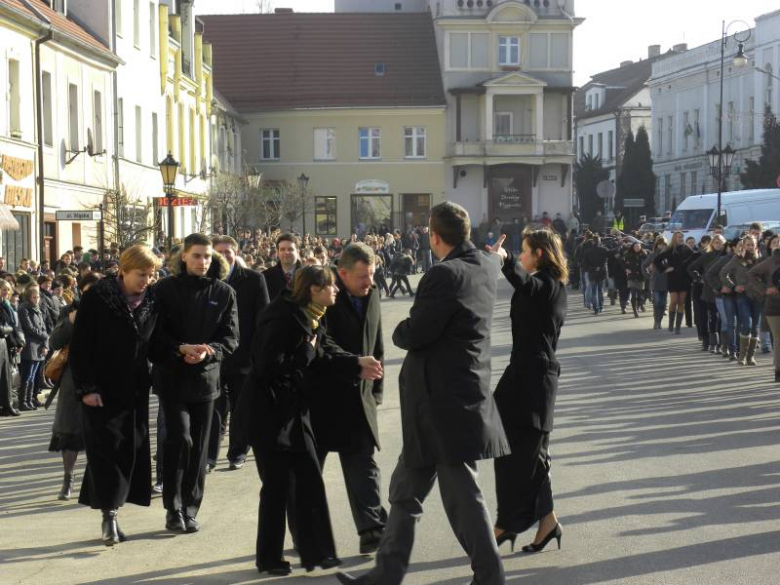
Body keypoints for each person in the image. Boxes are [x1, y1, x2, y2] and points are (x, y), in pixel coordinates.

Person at [338, 202, 510, 585]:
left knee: (464, 499)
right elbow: (493, 258)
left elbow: (415, 333)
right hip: (445, 404)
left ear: (433, 237)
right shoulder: (484, 265)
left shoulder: (444, 275)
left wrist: (400, 329)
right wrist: (496, 252)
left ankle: (491, 577)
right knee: (404, 491)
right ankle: (386, 574)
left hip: (443, 407)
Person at [239, 265, 382, 575]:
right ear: (314, 290)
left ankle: (318, 553)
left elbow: (324, 350)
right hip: (268, 415)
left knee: (308, 479)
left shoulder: (312, 314)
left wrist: (355, 362)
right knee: (277, 488)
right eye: (331, 286)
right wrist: (306, 352)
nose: (336, 290)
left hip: (293, 411)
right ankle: (269, 558)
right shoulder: (282, 317)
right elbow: (267, 365)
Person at [69, 245, 160, 545]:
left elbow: (157, 342)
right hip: (100, 390)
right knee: (104, 452)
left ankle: (113, 508)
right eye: (141, 274)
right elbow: (80, 347)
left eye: (151, 274)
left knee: (127, 450)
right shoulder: (98, 297)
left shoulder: (152, 300)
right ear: (124, 270)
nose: (146, 280)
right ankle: (109, 516)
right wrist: (86, 389)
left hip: (133, 390)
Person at [151, 233, 239, 535]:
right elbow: (154, 336)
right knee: (179, 438)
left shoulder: (224, 292)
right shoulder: (163, 290)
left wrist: (208, 350)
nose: (203, 261)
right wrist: (179, 348)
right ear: (184, 257)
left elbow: (231, 337)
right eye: (197, 255)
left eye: (207, 256)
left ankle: (190, 508)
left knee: (200, 446)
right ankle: (172, 507)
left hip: (206, 380)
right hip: (172, 378)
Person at [486, 230, 567, 555]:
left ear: (540, 254)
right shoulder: (542, 285)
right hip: (522, 375)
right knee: (529, 456)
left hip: (534, 382)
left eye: (524, 251)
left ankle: (506, 523)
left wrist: (505, 262)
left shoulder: (550, 287)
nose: (521, 256)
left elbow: (528, 286)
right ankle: (547, 523)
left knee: (516, 455)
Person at [309, 243, 387, 555]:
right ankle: (306, 534)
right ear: (341, 274)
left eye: (371, 276)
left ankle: (371, 530)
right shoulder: (323, 295)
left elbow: (376, 340)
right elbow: (321, 344)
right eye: (362, 277)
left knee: (363, 466)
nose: (368, 283)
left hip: (360, 396)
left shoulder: (374, 292)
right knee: (309, 472)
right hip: (322, 399)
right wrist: (354, 363)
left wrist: (376, 389)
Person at [207, 235, 270, 472]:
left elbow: (262, 319)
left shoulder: (254, 279)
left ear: (236, 253)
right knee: (214, 410)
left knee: (240, 409)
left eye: (227, 252)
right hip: (214, 356)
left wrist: (257, 354)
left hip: (244, 357)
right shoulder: (207, 278)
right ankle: (209, 457)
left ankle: (238, 452)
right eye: (219, 252)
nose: (223, 256)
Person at [47, 274, 102, 500]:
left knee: (99, 431)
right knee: (69, 430)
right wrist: (71, 321)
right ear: (80, 291)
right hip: (72, 378)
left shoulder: (109, 311)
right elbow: (54, 342)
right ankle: (68, 479)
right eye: (87, 292)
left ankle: (96, 480)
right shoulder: (68, 311)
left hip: (102, 377)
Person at [720, 235, 762, 365]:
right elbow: (723, 273)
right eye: (747, 244)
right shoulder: (737, 259)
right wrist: (733, 286)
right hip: (742, 296)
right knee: (747, 324)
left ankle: (751, 357)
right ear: (743, 246)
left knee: (755, 327)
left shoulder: (760, 259)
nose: (750, 247)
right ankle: (742, 356)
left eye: (752, 244)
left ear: (756, 246)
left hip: (757, 296)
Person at [748, 233, 780, 381]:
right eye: (776, 242)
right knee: (779, 339)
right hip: (774, 305)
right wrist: (765, 290)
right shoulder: (771, 261)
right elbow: (752, 274)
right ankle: (778, 370)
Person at [655, 231, 693, 334]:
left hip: (684, 279)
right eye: (679, 237)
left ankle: (678, 327)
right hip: (673, 278)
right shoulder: (669, 250)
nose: (681, 238)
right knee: (674, 301)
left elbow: (695, 259)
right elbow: (657, 260)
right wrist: (664, 269)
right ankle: (671, 323)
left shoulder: (687, 249)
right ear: (674, 238)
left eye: (682, 237)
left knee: (681, 302)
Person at [17, 285, 48, 411]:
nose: (36, 299)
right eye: (34, 297)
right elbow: (29, 328)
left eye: (38, 297)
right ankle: (23, 401)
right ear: (29, 297)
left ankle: (29, 400)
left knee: (33, 375)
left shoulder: (37, 308)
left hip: (39, 346)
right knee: (27, 375)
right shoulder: (24, 308)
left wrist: (45, 343)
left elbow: (43, 327)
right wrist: (45, 336)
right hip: (30, 345)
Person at [0, 280, 23, 416]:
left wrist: (17, 343)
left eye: (8, 290)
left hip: (5, 343)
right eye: (3, 289)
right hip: (1, 341)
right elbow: (4, 327)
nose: (6, 292)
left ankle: (7, 406)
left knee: (5, 377)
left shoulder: (7, 305)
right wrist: (8, 330)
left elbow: (13, 326)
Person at [264, 233, 302, 300]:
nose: (286, 252)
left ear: (297, 251)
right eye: (282, 249)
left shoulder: (308, 275)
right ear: (278, 253)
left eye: (290, 249)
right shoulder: (266, 276)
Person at [643, 237, 669, 329]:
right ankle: (656, 321)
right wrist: (648, 276)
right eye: (660, 244)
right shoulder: (653, 255)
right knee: (657, 302)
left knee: (663, 303)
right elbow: (644, 265)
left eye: (664, 244)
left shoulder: (668, 255)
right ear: (657, 245)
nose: (662, 246)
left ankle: (659, 321)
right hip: (655, 282)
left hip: (666, 282)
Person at [582, 235, 609, 314]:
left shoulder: (587, 251)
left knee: (594, 290)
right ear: (599, 241)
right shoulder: (603, 249)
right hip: (601, 272)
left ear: (593, 241)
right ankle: (601, 307)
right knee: (600, 290)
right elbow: (610, 254)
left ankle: (596, 308)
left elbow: (585, 265)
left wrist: (593, 268)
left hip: (592, 273)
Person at [624, 242, 647, 318]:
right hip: (632, 277)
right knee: (633, 294)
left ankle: (639, 306)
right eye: (636, 246)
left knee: (640, 295)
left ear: (640, 247)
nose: (637, 248)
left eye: (638, 246)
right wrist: (626, 269)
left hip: (641, 277)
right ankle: (635, 310)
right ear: (633, 247)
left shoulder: (644, 255)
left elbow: (647, 264)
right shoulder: (628, 255)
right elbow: (625, 264)